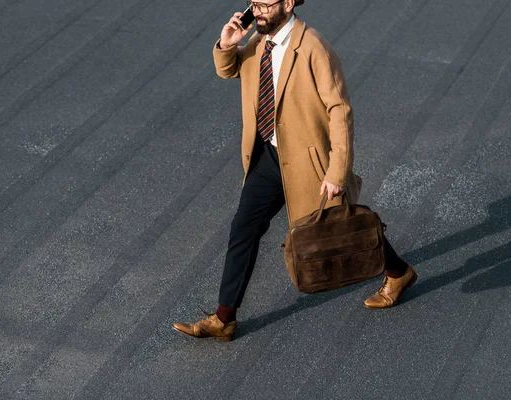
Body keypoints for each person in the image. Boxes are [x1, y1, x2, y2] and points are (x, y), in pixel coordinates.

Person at [172, 0, 417, 341]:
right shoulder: (259, 42)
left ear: (287, 4)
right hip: (269, 156)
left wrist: (336, 171)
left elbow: (340, 110)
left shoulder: (314, 48)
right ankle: (224, 318)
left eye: (265, 5)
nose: (257, 11)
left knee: (339, 227)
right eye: (253, 3)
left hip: (309, 162)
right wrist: (227, 45)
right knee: (243, 229)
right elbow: (229, 70)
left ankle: (398, 272)